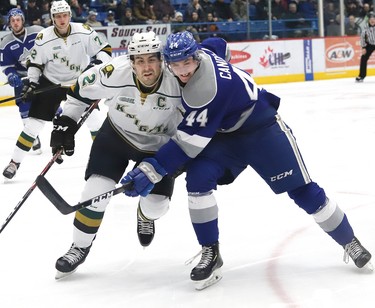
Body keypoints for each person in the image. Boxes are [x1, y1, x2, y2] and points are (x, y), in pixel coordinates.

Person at [121, 31, 373, 290]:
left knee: (302, 191)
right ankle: (211, 252)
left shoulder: (205, 91)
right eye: (175, 64)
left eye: (186, 63)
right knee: (197, 179)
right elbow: (219, 43)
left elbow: (187, 144)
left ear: (195, 58)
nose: (182, 71)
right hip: (224, 136)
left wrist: (150, 171)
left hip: (261, 130)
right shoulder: (206, 50)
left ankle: (349, 241)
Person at [48, 31, 183, 279]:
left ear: (161, 59)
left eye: (151, 59)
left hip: (158, 148)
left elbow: (194, 123)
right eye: (139, 60)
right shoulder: (112, 72)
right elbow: (78, 92)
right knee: (94, 193)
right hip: (117, 137)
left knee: (157, 207)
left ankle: (145, 215)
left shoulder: (179, 80)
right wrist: (65, 122)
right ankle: (79, 246)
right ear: (130, 61)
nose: (146, 67)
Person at [2, 0, 112, 180]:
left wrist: (98, 63)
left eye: (65, 15)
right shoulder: (43, 37)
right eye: (58, 16)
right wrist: (32, 83)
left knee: (94, 121)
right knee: (33, 125)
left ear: (69, 15)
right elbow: (35, 63)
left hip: (78, 84)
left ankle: (105, 160)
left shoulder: (83, 30)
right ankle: (14, 162)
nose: (62, 20)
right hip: (51, 81)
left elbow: (104, 49)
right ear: (52, 18)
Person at [0, 8, 44, 154]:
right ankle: (33, 137)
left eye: (18, 20)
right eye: (12, 21)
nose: (16, 23)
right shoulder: (5, 42)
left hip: (41, 74)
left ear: (23, 20)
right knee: (24, 110)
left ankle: (60, 131)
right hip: (22, 78)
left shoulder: (37, 32)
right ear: (9, 23)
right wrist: (11, 75)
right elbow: (6, 66)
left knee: (54, 107)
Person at [355, 12, 375, 82]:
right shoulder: (365, 27)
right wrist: (363, 47)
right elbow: (362, 37)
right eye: (371, 19)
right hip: (370, 44)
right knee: (363, 58)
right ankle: (361, 76)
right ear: (368, 20)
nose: (372, 21)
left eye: (374, 19)